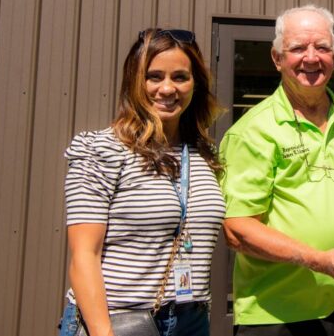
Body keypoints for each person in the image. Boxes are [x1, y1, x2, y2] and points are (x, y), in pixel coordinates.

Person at [220, 5, 334, 336]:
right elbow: (238, 228)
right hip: (276, 312)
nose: (311, 58)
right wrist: (319, 261)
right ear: (277, 58)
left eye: (321, 47)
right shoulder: (254, 130)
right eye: (298, 48)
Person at [58, 29, 225, 336]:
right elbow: (84, 255)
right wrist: (102, 332)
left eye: (180, 77)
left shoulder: (203, 154)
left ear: (195, 84)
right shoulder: (101, 150)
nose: (167, 88)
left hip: (192, 318)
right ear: (135, 81)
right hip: (119, 320)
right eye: (154, 76)